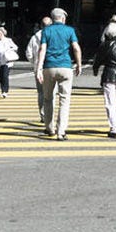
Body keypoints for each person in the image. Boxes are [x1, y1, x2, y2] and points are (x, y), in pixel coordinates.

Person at [37, 8, 82, 140]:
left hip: (49, 67)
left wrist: (39, 68)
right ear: (63, 18)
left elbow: (42, 49)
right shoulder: (70, 30)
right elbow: (76, 48)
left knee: (48, 99)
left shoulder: (46, 31)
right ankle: (61, 131)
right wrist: (79, 64)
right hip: (65, 67)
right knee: (64, 100)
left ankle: (50, 128)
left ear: (52, 19)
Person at [26, 16, 52, 125]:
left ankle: (43, 115)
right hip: (51, 67)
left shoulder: (34, 37)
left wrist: (35, 63)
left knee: (41, 93)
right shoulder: (53, 35)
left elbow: (29, 53)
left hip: (39, 69)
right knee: (51, 92)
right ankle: (50, 115)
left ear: (41, 25)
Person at [0, 25, 19, 97]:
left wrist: (9, 50)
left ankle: (5, 91)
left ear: (3, 33)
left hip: (7, 61)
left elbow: (15, 47)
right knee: (1, 76)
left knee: (5, 75)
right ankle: (2, 90)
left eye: (1, 33)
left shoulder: (8, 40)